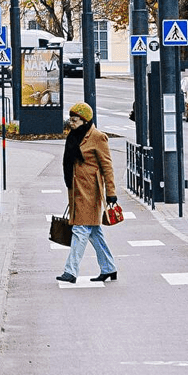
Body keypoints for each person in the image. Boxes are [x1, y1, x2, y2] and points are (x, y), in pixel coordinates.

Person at [57, 102, 119, 284]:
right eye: (70, 119)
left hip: (91, 191)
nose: (71, 123)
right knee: (93, 232)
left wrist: (111, 193)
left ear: (84, 120)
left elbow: (107, 167)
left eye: (75, 120)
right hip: (76, 189)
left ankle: (70, 271)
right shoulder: (74, 136)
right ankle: (109, 268)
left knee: (80, 229)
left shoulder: (98, 137)